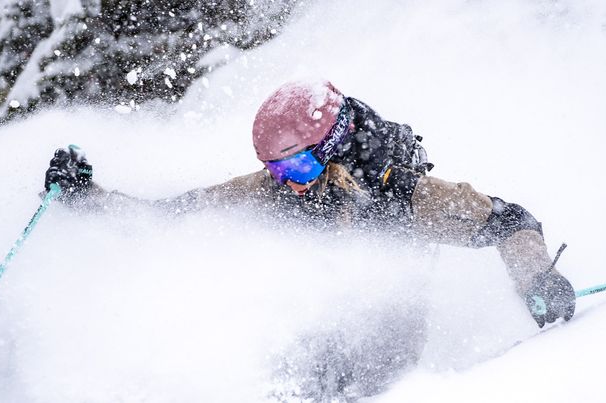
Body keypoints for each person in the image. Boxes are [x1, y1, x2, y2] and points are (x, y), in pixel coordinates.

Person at [42, 80, 576, 399]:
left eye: (295, 164)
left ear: (333, 148)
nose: (286, 181)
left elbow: (513, 221)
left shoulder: (406, 196)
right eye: (274, 169)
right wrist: (89, 197)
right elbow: (178, 215)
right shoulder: (279, 191)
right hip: (313, 338)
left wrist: (538, 279)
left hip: (386, 356)